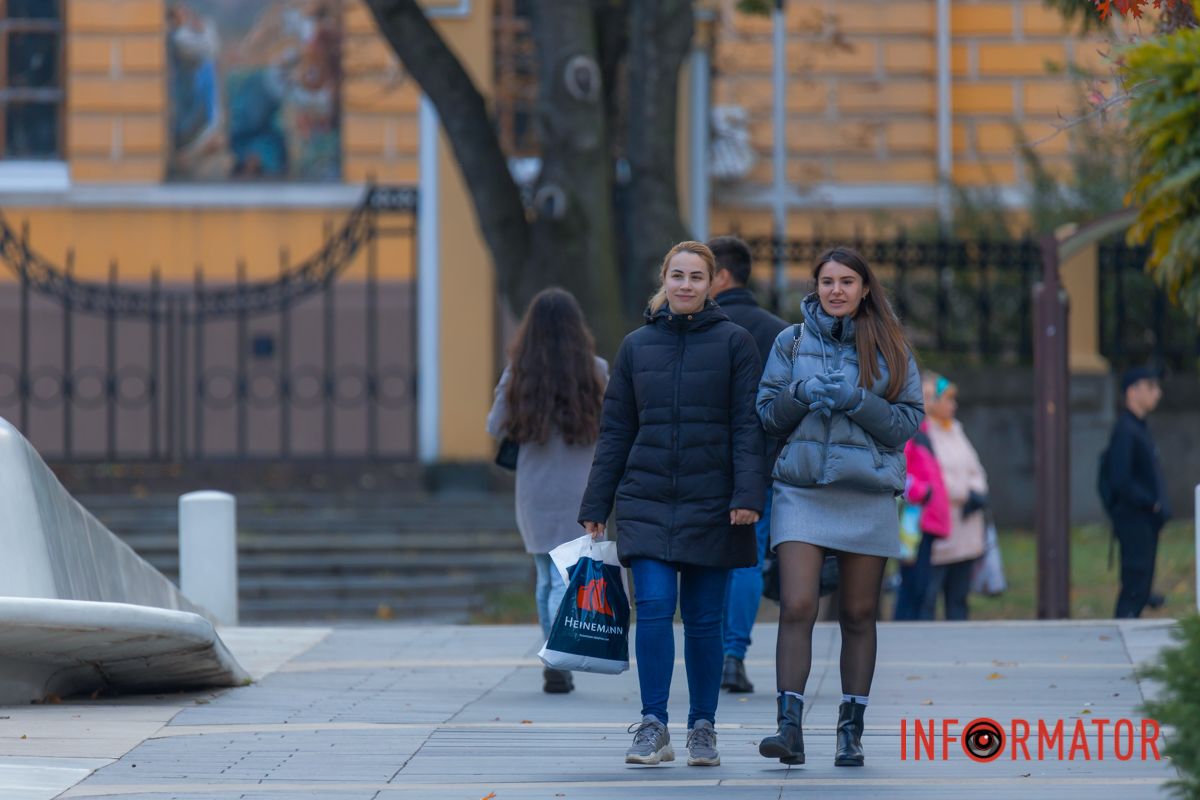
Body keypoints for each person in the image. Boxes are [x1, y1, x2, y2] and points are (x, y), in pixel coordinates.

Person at [579, 241, 766, 767]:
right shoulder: (636, 346)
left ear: (712, 284)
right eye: (677, 276)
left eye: (697, 277)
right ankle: (653, 724)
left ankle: (702, 727)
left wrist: (748, 494)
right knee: (655, 610)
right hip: (647, 498)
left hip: (715, 502)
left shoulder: (737, 343)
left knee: (706, 622)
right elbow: (616, 430)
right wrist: (597, 500)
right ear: (664, 280)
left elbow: (747, 426)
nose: (686, 285)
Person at [755, 246, 922, 767]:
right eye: (827, 281)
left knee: (858, 613)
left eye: (847, 281)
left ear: (864, 288)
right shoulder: (791, 341)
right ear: (815, 287)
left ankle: (851, 731)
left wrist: (857, 400)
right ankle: (789, 730)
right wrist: (801, 393)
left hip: (867, 491)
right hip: (801, 488)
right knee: (798, 604)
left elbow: (906, 423)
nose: (836, 291)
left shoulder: (892, 347)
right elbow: (766, 414)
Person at [486, 288, 608, 694]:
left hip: (535, 488)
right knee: (566, 577)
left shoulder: (519, 374)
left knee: (544, 575)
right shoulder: (597, 370)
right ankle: (558, 656)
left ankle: (553, 658)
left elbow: (494, 425)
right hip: (582, 486)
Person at [707, 235, 789, 694]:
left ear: (721, 276)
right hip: (765, 464)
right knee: (748, 560)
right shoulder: (779, 331)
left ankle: (711, 650)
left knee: (706, 560)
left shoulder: (700, 326)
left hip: (707, 463)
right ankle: (733, 656)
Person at [918, 375, 988, 622]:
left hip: (966, 529)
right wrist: (965, 493)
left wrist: (976, 491)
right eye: (947, 399)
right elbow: (934, 478)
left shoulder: (956, 429)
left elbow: (976, 469)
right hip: (941, 531)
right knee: (929, 595)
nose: (953, 405)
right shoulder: (924, 434)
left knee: (959, 599)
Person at [1103, 366, 1170, 618]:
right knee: (1134, 587)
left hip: (1144, 520)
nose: (1157, 393)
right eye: (1151, 387)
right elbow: (1121, 479)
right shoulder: (1126, 430)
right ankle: (1122, 636)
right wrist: (1150, 503)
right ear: (1133, 391)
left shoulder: (1138, 428)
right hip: (1134, 519)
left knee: (1140, 587)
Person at [892, 373, 951, 621]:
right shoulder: (909, 431)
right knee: (912, 583)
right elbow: (898, 470)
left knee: (921, 582)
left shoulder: (925, 431)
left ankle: (911, 625)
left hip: (926, 519)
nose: (929, 403)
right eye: (924, 397)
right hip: (914, 520)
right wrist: (920, 492)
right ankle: (904, 625)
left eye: (931, 397)